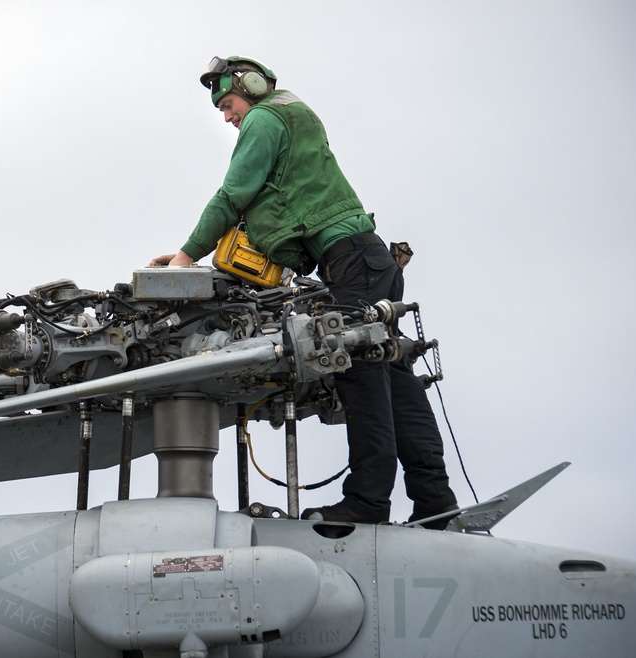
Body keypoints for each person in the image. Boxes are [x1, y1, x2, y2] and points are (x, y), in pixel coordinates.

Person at [151, 56, 457, 528]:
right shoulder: (295, 112)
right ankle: (436, 501)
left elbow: (233, 194)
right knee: (395, 379)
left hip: (352, 262)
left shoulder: (264, 118)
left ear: (249, 88)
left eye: (228, 105)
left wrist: (185, 258)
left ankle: (369, 502)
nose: (229, 117)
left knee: (358, 375)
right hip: (370, 261)